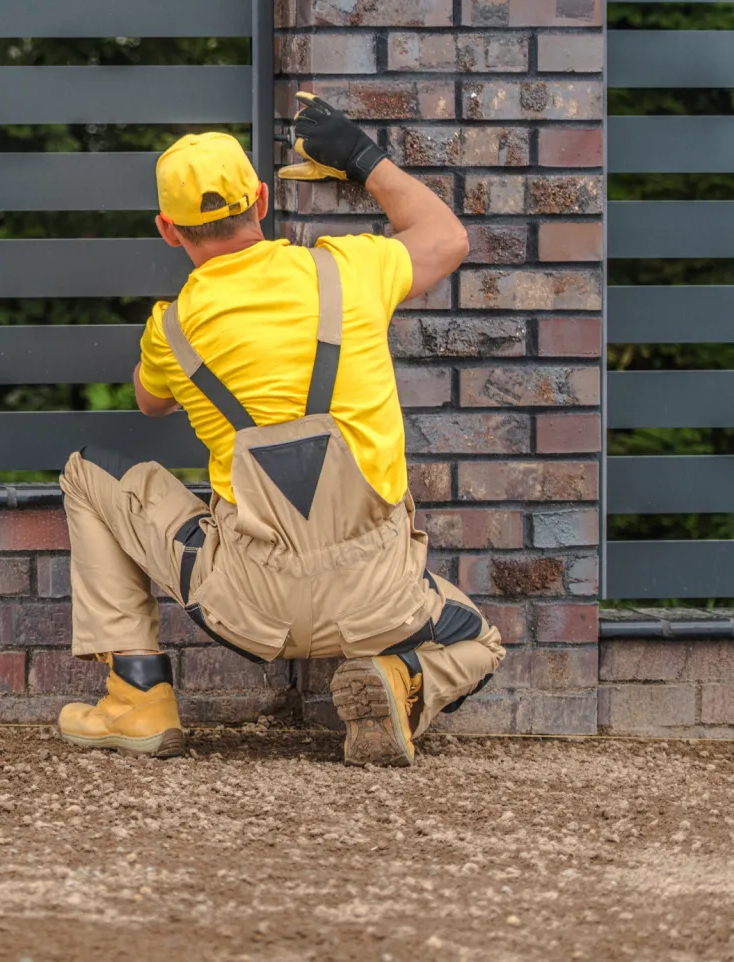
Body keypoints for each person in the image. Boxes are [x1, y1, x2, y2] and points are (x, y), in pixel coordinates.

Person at [55, 93, 504, 767]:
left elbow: (151, 403)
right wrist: (361, 158)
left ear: (168, 230)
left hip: (247, 605)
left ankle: (137, 697)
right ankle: (402, 677)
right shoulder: (349, 270)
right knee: (478, 642)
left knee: (87, 473)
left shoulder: (171, 328)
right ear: (261, 201)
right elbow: (447, 239)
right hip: (378, 601)